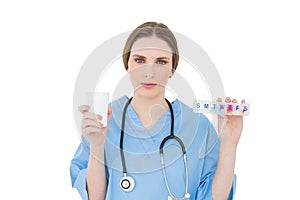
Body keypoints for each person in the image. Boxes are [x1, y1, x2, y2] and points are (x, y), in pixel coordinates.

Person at [70, 22, 245, 200]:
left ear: (172, 68)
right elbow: (95, 197)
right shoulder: (103, 119)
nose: (149, 72)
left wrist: (230, 145)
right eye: (140, 60)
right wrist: (97, 146)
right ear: (127, 64)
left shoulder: (197, 124)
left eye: (161, 62)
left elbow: (212, 197)